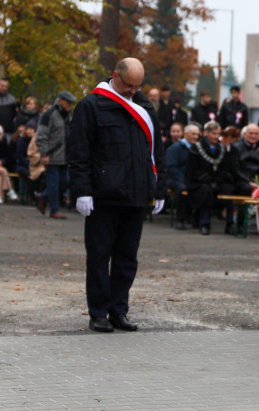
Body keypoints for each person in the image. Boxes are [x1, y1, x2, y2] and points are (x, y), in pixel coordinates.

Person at [68, 57, 166, 333]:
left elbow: (156, 150)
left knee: (127, 259)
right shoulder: (91, 105)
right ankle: (98, 312)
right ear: (115, 76)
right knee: (99, 257)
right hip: (103, 196)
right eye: (129, 85)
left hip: (135, 195)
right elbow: (79, 152)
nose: (133, 91)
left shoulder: (144, 106)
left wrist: (159, 188)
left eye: (138, 86)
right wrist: (82, 191)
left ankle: (118, 310)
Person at [185, 121, 242, 235]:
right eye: (214, 134)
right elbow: (192, 170)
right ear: (206, 133)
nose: (217, 136)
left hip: (218, 180)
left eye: (218, 134)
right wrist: (206, 178)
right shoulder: (195, 149)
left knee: (229, 190)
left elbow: (226, 168)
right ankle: (204, 223)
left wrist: (220, 179)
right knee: (206, 191)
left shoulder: (222, 148)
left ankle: (230, 223)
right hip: (200, 182)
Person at [35, 91, 76, 219]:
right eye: (68, 102)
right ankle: (54, 210)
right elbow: (41, 136)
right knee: (54, 183)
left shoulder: (68, 115)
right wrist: (44, 153)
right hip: (52, 155)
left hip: (65, 155)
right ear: (60, 100)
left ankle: (42, 197)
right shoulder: (48, 114)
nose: (70, 105)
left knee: (65, 182)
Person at [165, 123, 199, 230]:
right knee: (182, 189)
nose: (196, 137)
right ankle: (181, 219)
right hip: (174, 179)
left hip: (190, 178)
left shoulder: (197, 148)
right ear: (186, 134)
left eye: (197, 134)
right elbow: (171, 168)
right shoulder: (175, 148)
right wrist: (184, 180)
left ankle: (196, 218)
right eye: (193, 134)